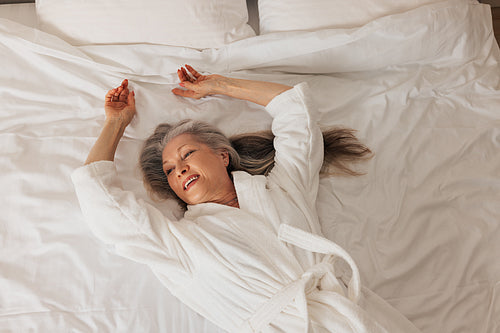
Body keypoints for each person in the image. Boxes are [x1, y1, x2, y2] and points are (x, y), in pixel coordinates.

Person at [72, 66, 421, 332]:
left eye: (188, 153)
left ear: (222, 156)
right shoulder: (180, 242)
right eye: (170, 170)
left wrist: (221, 85)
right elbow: (101, 200)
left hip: (356, 317)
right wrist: (116, 123)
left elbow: (296, 113)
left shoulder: (282, 188)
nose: (179, 169)